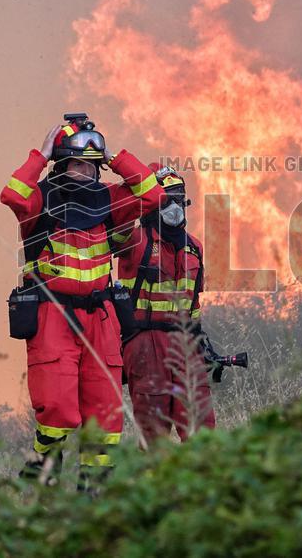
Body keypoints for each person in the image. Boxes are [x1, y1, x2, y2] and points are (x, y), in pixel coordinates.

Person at [0, 115, 166, 485]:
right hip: (52, 316)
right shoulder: (40, 200)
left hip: (101, 319)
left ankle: (93, 491)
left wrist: (113, 157)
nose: (85, 172)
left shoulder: (110, 200)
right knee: (58, 410)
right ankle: (42, 466)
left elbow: (154, 195)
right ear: (61, 164)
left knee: (106, 416)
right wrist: (41, 155)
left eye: (91, 166)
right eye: (77, 163)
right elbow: (12, 194)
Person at [113, 164, 216, 442]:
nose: (175, 206)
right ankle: (153, 471)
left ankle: (203, 471)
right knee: (154, 431)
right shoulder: (134, 239)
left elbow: (194, 302)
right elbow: (118, 218)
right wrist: (140, 178)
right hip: (145, 341)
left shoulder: (194, 247)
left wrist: (199, 343)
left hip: (186, 342)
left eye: (179, 198)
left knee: (201, 425)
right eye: (167, 199)